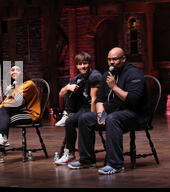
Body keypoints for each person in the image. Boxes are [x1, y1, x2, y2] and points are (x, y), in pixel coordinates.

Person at [67, 47, 149, 175]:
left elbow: (133, 100)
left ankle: (116, 165)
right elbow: (100, 100)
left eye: (115, 59)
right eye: (109, 60)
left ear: (123, 59)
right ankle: (87, 160)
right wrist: (100, 114)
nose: (111, 62)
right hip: (114, 113)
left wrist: (114, 87)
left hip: (136, 115)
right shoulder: (107, 75)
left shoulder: (134, 74)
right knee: (85, 118)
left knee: (113, 118)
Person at [0, 64, 41, 164]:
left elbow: (17, 102)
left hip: (31, 114)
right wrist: (0, 106)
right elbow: (6, 103)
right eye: (12, 70)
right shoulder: (15, 86)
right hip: (20, 112)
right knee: (3, 115)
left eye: (17, 70)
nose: (13, 72)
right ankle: (1, 144)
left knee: (5, 119)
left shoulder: (28, 84)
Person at [55, 52, 102, 165]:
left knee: (81, 120)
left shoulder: (95, 76)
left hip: (96, 107)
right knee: (70, 121)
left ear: (89, 64)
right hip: (82, 108)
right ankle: (70, 154)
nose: (83, 66)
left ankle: (87, 157)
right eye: (80, 64)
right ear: (76, 66)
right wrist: (68, 87)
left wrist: (91, 117)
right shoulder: (78, 78)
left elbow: (94, 99)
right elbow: (61, 94)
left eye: (85, 63)